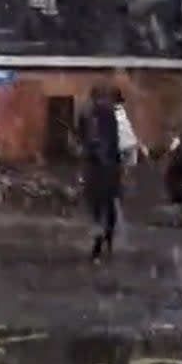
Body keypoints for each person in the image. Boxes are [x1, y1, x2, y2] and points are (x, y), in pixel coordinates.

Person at [79, 84, 122, 260]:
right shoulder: (110, 115)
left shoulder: (89, 115)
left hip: (97, 167)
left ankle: (99, 241)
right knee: (108, 204)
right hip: (108, 166)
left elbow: (85, 139)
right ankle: (106, 239)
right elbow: (113, 142)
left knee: (98, 205)